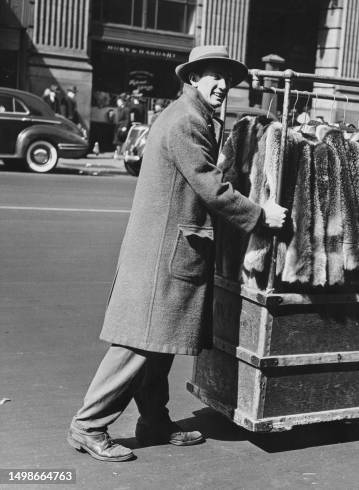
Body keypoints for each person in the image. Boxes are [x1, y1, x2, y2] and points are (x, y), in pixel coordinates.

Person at [67, 45, 289, 463]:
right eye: (213, 76)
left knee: (159, 341)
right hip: (163, 254)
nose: (223, 85)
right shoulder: (188, 121)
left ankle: (154, 423)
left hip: (164, 249)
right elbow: (210, 186)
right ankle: (88, 425)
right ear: (192, 79)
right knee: (138, 345)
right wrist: (261, 215)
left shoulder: (191, 115)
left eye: (227, 78)